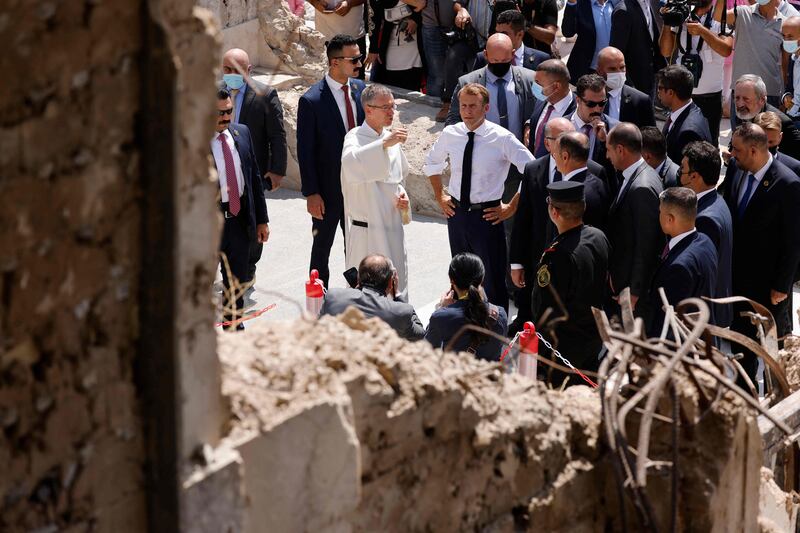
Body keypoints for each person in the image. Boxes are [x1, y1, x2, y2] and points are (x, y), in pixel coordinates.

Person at [424, 83, 534, 310]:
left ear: (486, 108)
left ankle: (495, 329)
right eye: (463, 105)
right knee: (460, 272)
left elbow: (533, 170)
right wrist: (440, 196)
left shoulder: (502, 138)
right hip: (456, 212)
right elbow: (432, 164)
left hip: (487, 215)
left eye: (473, 106)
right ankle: (462, 323)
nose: (467, 111)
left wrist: (511, 206)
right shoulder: (451, 133)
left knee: (491, 277)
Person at [509, 118, 608, 332]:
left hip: (565, 276)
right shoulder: (535, 169)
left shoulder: (587, 184)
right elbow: (523, 219)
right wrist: (517, 262)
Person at [720, 123, 800, 380]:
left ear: (754, 151)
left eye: (737, 149)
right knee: (741, 346)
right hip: (737, 280)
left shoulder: (787, 184)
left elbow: (794, 241)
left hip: (767, 288)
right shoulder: (736, 168)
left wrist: (782, 285)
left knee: (770, 350)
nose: (732, 153)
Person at [297, 35, 366, 289]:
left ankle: (359, 295)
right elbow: (305, 151)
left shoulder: (360, 90)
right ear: (335, 62)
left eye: (360, 57)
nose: (359, 63)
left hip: (358, 188)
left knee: (358, 245)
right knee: (322, 249)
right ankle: (318, 300)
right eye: (354, 59)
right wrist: (312, 193)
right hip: (327, 192)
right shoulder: (312, 100)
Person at [531, 181, 611, 387]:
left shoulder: (557, 256)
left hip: (564, 347)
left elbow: (546, 308)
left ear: (554, 212)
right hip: (593, 336)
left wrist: (542, 351)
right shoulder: (598, 236)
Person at [222, 48, 288, 284]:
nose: (230, 75)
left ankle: (249, 267)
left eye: (236, 70)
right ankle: (228, 267)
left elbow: (277, 135)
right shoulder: (215, 93)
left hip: (252, 171)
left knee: (252, 219)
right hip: (222, 167)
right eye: (226, 69)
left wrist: (278, 170)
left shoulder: (264, 94)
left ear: (248, 71)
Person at [341, 85, 412, 300]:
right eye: (386, 107)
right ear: (368, 109)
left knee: (396, 285)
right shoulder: (355, 137)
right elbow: (350, 164)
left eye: (393, 107)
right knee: (365, 293)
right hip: (367, 232)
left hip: (392, 228)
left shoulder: (391, 139)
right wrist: (382, 144)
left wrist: (404, 201)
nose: (391, 112)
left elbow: (398, 180)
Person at [212, 87, 269, 331]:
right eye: (220, 113)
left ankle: (233, 331)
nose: (226, 117)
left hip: (237, 220)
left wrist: (262, 220)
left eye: (229, 111)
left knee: (236, 282)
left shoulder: (241, 133)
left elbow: (254, 179)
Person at [605, 123, 664, 316]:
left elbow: (646, 246)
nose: (607, 156)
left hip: (630, 291)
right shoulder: (638, 175)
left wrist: (634, 291)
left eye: (609, 150)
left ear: (620, 150)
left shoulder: (642, 187)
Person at [647, 187, 718, 336]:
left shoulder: (679, 267)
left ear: (669, 219)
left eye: (661, 212)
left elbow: (670, 323)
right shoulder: (705, 241)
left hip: (681, 350)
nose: (658, 215)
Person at [658, 0, 732, 142]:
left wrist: (703, 31)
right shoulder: (682, 15)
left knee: (709, 144)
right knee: (679, 141)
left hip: (710, 96)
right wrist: (668, 21)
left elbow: (726, 49)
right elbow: (666, 51)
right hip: (682, 95)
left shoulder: (721, 16)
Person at [679, 141, 733, 327]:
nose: (679, 174)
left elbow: (701, 272)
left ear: (694, 177)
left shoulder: (704, 219)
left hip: (702, 314)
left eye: (682, 170)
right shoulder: (716, 201)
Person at [446, 33, 538, 142]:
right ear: (485, 55)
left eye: (504, 61)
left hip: (519, 151)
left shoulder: (530, 79)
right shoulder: (467, 82)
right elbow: (453, 120)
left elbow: (544, 110)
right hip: (482, 151)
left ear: (513, 54)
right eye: (495, 60)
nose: (499, 64)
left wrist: (530, 125)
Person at [425, 253, 509, 361]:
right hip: (490, 376)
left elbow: (427, 349)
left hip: (458, 376)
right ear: (482, 279)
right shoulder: (500, 313)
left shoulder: (441, 317)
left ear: (452, 280)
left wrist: (441, 308)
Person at [320, 254, 425, 340]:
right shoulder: (401, 311)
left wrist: (356, 290)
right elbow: (420, 335)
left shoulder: (333, 296)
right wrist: (396, 292)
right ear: (390, 283)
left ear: (358, 277)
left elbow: (319, 329)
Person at [725, 0, 786, 113]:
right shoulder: (742, 12)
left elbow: (785, 66)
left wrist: (785, 95)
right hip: (741, 95)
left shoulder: (784, 24)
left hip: (769, 95)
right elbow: (718, 16)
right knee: (740, 131)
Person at [732, 75, 800, 160]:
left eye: (746, 99)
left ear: (762, 100)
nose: (740, 104)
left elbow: (795, 162)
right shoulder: (743, 113)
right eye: (737, 98)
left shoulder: (782, 123)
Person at [656, 65, 713, 165]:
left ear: (670, 92)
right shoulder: (690, 110)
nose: (658, 92)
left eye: (660, 88)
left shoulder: (688, 133)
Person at [365, 0, 426, 90]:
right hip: (390, 38)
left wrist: (415, 19)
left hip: (415, 41)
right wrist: (373, 49)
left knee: (414, 77)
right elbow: (374, 19)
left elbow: (423, 4)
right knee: (391, 80)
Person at [609, 0, 666, 97]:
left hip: (649, 78)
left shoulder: (649, 4)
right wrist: (630, 88)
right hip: (634, 84)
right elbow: (616, 55)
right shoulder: (623, 11)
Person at [568, 73, 618, 180]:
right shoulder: (562, 125)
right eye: (591, 104)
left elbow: (617, 171)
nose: (597, 109)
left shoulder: (615, 129)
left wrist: (606, 141)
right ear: (578, 100)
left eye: (602, 103)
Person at [472, 10, 550, 71]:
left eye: (504, 33)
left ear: (520, 34)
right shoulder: (483, 58)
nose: (499, 37)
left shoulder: (541, 59)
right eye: (497, 32)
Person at [527, 59, 576, 157]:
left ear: (556, 86)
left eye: (538, 83)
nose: (535, 86)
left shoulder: (577, 111)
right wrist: (528, 124)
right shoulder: (541, 99)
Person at [308, 0, 368, 75]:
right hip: (324, 35)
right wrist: (314, 2)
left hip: (353, 36)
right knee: (326, 78)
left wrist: (350, 3)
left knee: (354, 79)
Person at [561, 0, 614, 83]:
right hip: (589, 70)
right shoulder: (580, 4)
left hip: (616, 70)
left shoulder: (616, 3)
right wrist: (571, 3)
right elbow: (568, 32)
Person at [781, 16, 800, 123]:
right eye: (784, 36)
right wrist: (786, 96)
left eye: (790, 37)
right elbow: (789, 87)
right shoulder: (793, 59)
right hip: (792, 116)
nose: (786, 40)